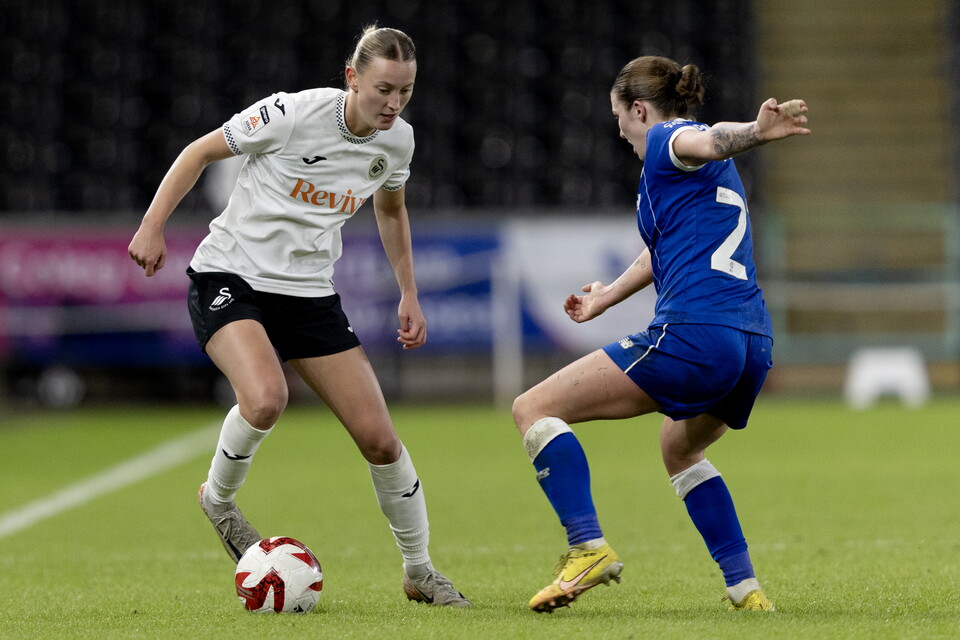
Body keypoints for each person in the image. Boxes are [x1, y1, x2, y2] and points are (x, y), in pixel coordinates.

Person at [128, 25, 470, 607]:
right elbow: (200, 151)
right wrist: (152, 224)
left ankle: (420, 570)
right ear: (352, 77)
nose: (393, 103)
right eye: (383, 88)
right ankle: (219, 499)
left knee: (381, 441)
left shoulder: (398, 142)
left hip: (309, 295)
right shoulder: (290, 114)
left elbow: (391, 211)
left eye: (405, 92)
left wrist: (408, 292)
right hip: (230, 276)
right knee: (265, 398)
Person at [512, 55, 810, 613]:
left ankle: (587, 547)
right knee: (680, 446)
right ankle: (746, 590)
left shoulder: (670, 139)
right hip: (751, 345)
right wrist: (605, 298)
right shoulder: (687, 178)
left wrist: (755, 132)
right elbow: (661, 248)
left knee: (533, 408)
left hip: (695, 335)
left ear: (641, 109)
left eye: (619, 115)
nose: (618, 128)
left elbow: (708, 137)